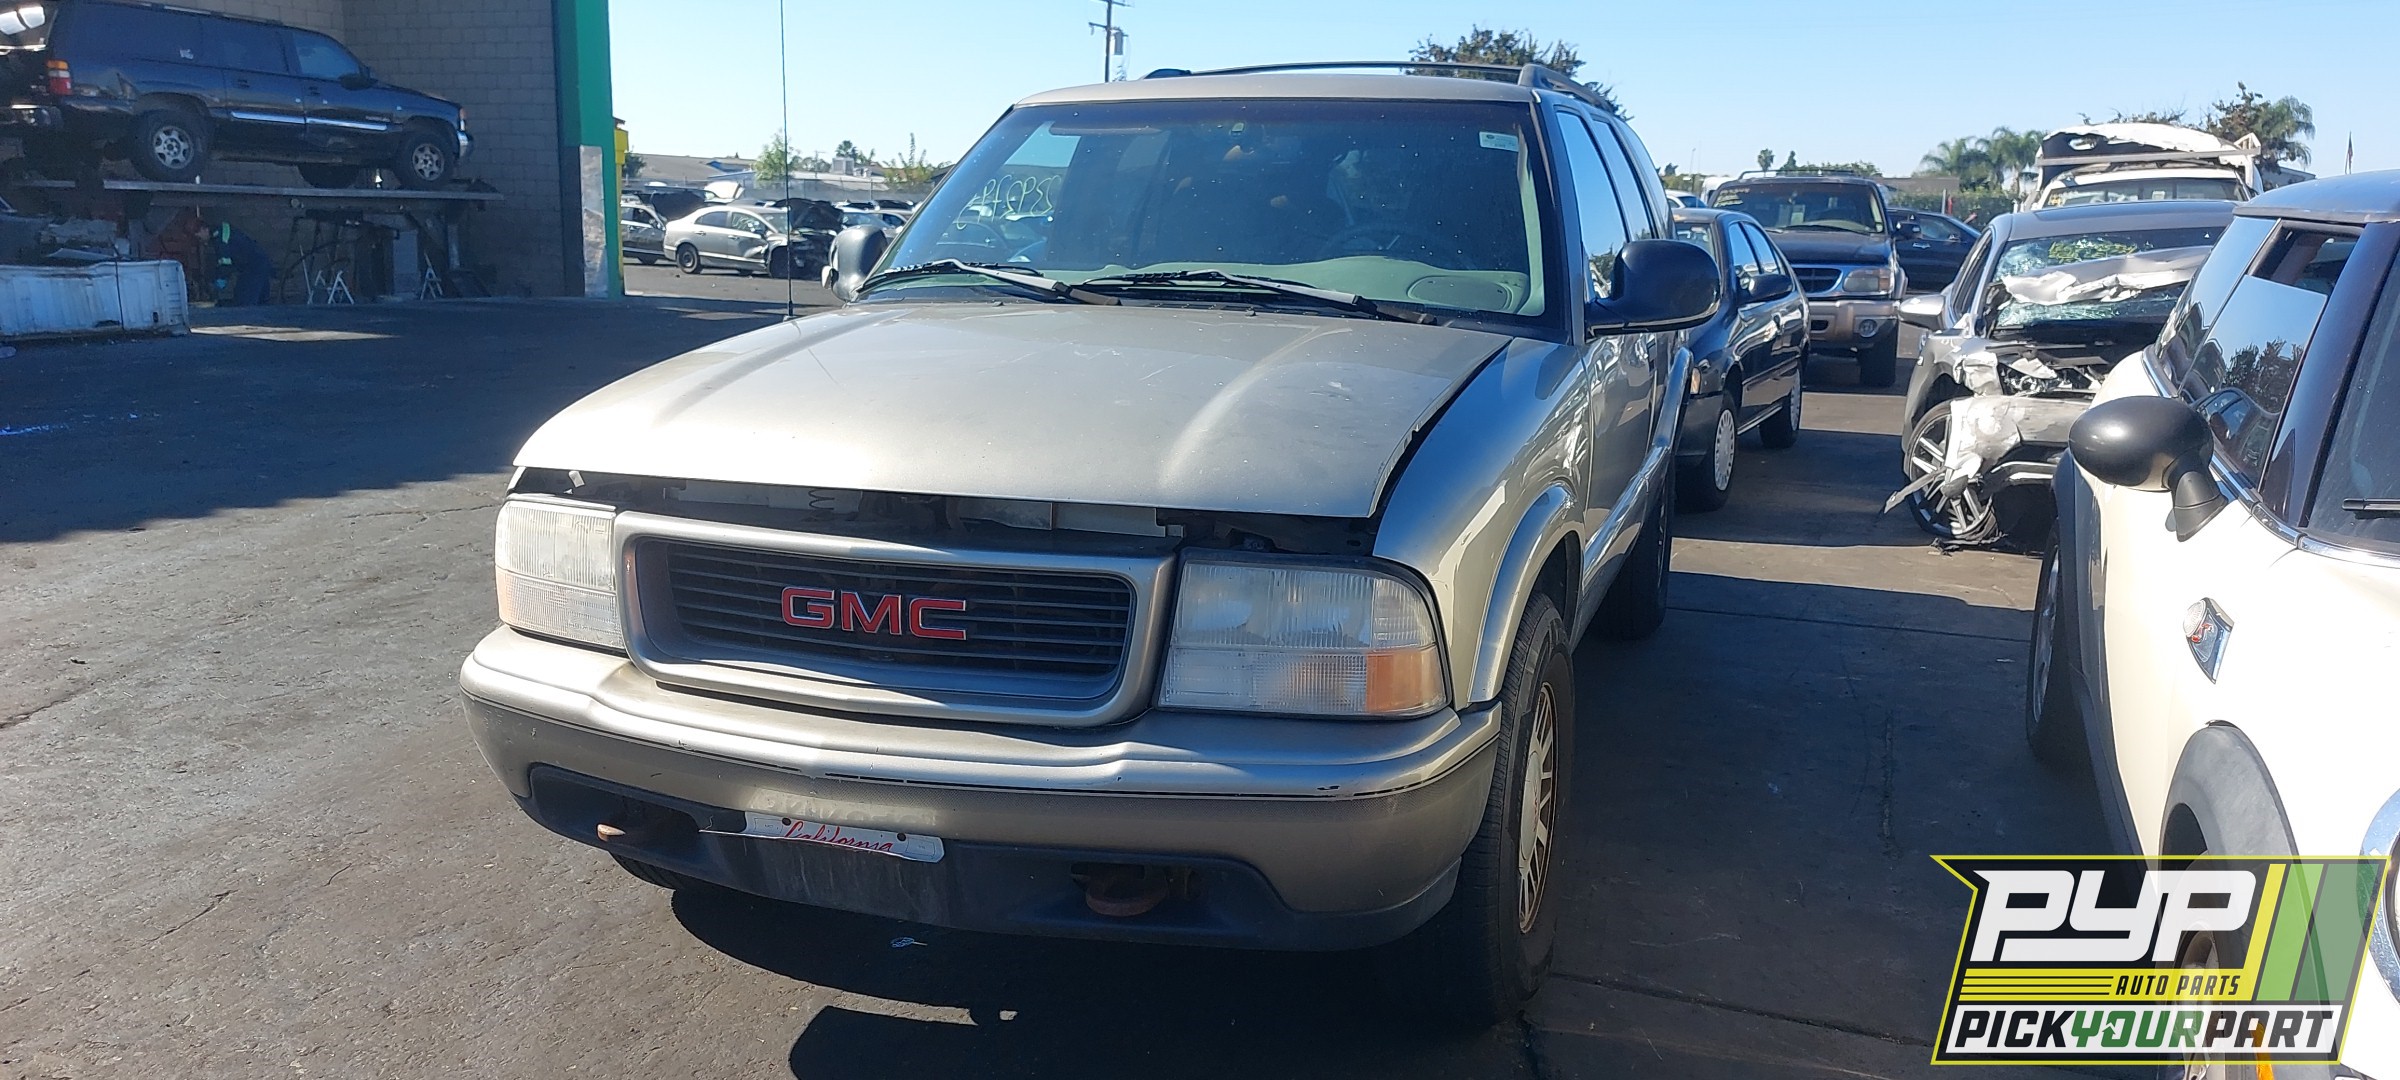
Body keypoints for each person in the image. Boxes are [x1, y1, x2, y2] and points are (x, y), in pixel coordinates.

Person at [208, 218, 275, 305]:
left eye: (198, 236)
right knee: (259, 300)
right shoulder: (223, 231)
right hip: (257, 263)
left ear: (203, 229)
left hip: (252, 267)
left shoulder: (221, 240)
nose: (200, 241)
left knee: (245, 302)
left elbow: (225, 263)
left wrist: (220, 279)